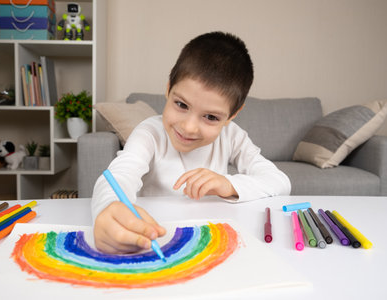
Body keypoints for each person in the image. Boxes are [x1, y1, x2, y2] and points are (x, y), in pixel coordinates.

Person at [92, 31, 291, 254]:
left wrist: (228, 185)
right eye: (181, 105)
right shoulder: (150, 133)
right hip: (157, 239)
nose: (188, 127)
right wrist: (108, 208)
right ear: (168, 89)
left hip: (207, 242)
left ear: (232, 115)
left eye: (211, 117)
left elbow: (280, 181)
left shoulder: (232, 136)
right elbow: (119, 176)